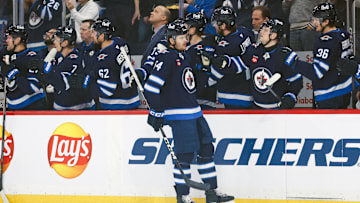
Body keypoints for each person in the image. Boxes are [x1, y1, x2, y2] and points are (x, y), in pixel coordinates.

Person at [144, 19, 234, 203]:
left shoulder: (185, 56)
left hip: (196, 113)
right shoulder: (167, 57)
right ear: (170, 39)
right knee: (183, 157)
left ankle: (211, 192)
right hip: (179, 116)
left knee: (206, 148)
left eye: (186, 36)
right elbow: (151, 88)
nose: (185, 39)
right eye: (181, 37)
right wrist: (157, 112)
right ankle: (183, 196)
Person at [212, 18, 303, 109]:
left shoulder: (285, 55)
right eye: (262, 29)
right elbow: (239, 64)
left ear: (274, 35)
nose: (261, 32)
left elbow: (297, 81)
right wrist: (225, 62)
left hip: (277, 109)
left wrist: (290, 97)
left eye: (266, 30)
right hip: (256, 108)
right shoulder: (253, 50)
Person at [292, 2, 354, 109]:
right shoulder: (343, 34)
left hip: (329, 95)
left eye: (317, 19)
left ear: (326, 21)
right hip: (344, 90)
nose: (314, 22)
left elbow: (317, 72)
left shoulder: (325, 41)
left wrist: (293, 62)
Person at [202, 6, 255, 109]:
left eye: (216, 23)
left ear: (224, 25)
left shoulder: (225, 46)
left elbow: (217, 73)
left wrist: (205, 81)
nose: (214, 26)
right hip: (248, 89)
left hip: (232, 93)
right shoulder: (246, 32)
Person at [89, 19, 140, 109]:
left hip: (115, 104)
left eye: (93, 33)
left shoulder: (103, 59)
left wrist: (88, 83)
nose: (91, 35)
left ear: (101, 36)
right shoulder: (121, 42)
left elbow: (107, 89)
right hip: (132, 98)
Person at [41, 26, 95, 110]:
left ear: (65, 43)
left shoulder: (74, 60)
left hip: (78, 110)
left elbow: (61, 84)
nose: (54, 42)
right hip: (61, 106)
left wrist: (44, 69)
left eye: (56, 39)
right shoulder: (59, 55)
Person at [0, 25, 46, 110]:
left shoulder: (32, 58)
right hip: (12, 108)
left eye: (9, 38)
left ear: (17, 40)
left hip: (32, 107)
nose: (7, 41)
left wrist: (13, 73)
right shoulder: (7, 53)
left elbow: (33, 88)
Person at [185, 11, 218, 110]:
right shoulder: (185, 48)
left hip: (203, 100)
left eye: (187, 25)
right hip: (188, 100)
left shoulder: (205, 48)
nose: (184, 28)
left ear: (193, 28)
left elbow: (208, 74)